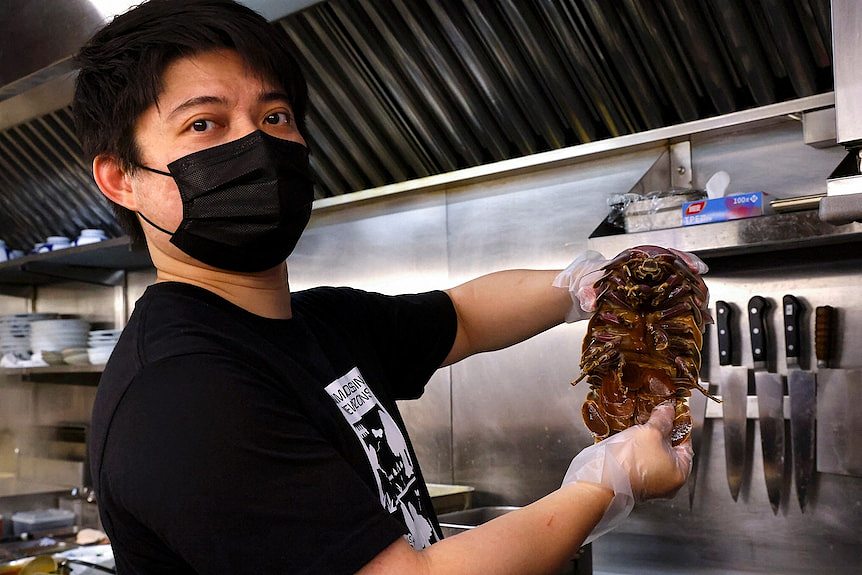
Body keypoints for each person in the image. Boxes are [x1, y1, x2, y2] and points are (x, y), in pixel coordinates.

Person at [73, 1, 698, 573]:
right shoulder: (183, 390)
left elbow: (467, 314)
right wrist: (608, 482)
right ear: (122, 179)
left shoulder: (316, 324)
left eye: (275, 115)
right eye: (204, 125)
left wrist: (592, 284)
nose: (257, 145)